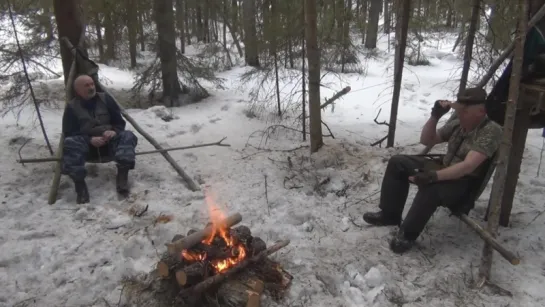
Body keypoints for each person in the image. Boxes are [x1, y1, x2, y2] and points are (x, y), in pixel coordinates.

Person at [362, 87, 502, 254]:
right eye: (459, 110)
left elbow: (468, 166)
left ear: (481, 111)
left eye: (464, 111)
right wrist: (435, 116)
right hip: (445, 168)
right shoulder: (458, 124)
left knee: (431, 189)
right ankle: (390, 214)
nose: (460, 114)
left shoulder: (490, 130)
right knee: (398, 162)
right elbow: (426, 139)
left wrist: (433, 176)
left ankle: (406, 235)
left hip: (464, 183)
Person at [61, 74, 138, 204]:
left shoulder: (106, 99)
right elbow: (69, 132)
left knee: (128, 135)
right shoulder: (72, 107)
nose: (91, 87)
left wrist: (113, 131)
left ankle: (122, 177)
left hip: (109, 145)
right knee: (70, 143)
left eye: (92, 84)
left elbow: (119, 123)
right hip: (88, 148)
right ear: (78, 90)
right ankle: (80, 187)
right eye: (87, 85)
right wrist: (89, 139)